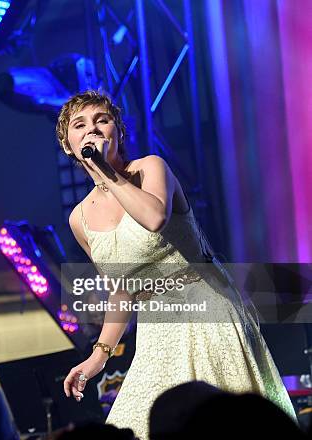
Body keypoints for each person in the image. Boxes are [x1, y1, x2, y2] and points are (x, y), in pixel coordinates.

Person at [58, 90, 295, 439]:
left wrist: (108, 172)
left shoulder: (151, 167)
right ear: (68, 145)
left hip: (206, 306)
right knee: (137, 425)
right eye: (80, 125)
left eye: (102, 120)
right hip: (156, 328)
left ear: (118, 132)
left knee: (220, 424)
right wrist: (99, 357)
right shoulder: (80, 218)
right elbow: (122, 290)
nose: (92, 130)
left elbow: (154, 217)